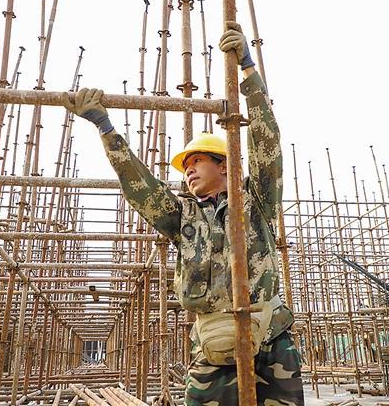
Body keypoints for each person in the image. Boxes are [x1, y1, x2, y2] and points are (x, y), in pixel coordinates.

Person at [64, 22, 303, 405]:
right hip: (212, 344)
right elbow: (139, 185)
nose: (188, 170)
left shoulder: (255, 201)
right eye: (185, 166)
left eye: (196, 162)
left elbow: (267, 144)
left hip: (270, 340)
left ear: (224, 165)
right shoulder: (183, 218)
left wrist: (248, 69)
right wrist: (106, 127)